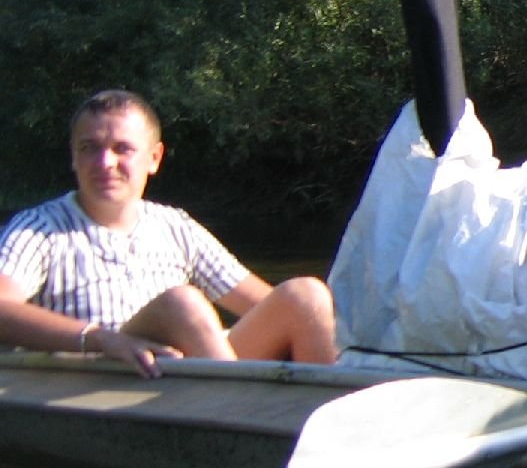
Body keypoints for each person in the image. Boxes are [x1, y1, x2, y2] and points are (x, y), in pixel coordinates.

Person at [0, 89, 338, 378]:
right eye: (89, 148)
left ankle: (324, 417)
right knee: (182, 303)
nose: (105, 163)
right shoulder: (38, 228)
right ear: (74, 157)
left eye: (122, 148)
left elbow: (266, 306)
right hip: (101, 381)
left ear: (154, 158)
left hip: (186, 378)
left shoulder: (175, 226)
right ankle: (238, 412)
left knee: (306, 296)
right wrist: (101, 338)